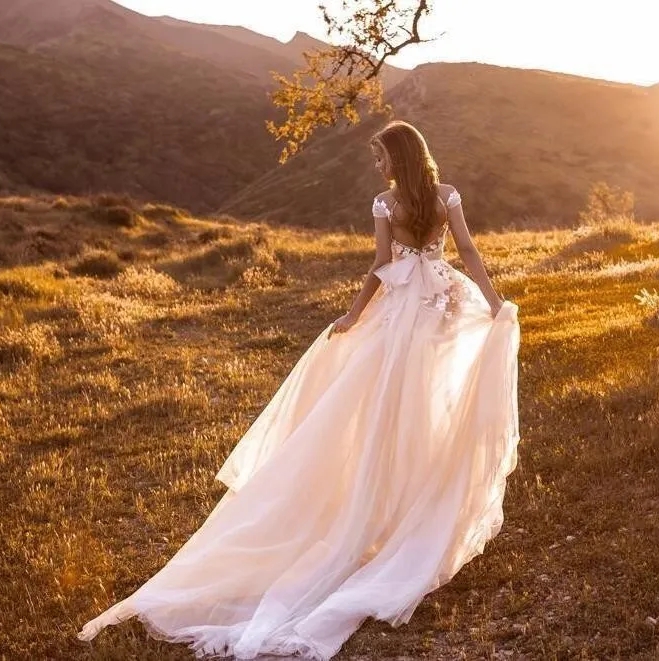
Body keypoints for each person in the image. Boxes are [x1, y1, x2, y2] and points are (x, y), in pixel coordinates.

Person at [78, 120, 520, 659]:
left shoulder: (386, 203)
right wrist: (493, 305)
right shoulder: (445, 195)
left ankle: (382, 511)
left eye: (381, 157)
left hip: (404, 313)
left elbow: (382, 268)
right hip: (442, 306)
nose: (378, 167)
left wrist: (352, 317)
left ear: (398, 159)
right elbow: (468, 254)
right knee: (423, 405)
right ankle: (399, 511)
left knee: (385, 408)